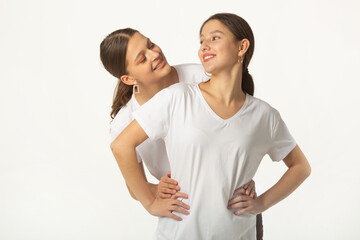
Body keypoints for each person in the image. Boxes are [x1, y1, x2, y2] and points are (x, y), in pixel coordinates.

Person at [111, 13, 311, 240]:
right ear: (128, 78)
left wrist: (259, 199)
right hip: (183, 224)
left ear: (241, 47)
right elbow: (122, 149)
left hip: (237, 226)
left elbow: (299, 166)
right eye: (201, 41)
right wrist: (152, 199)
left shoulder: (262, 113)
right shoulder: (174, 98)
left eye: (214, 38)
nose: (204, 46)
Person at [100, 26, 263, 238]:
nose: (154, 54)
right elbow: (134, 187)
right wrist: (155, 196)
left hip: (235, 207)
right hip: (186, 217)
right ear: (128, 79)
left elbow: (244, 121)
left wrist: (244, 172)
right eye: (142, 59)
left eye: (150, 45)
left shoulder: (202, 76)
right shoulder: (124, 123)